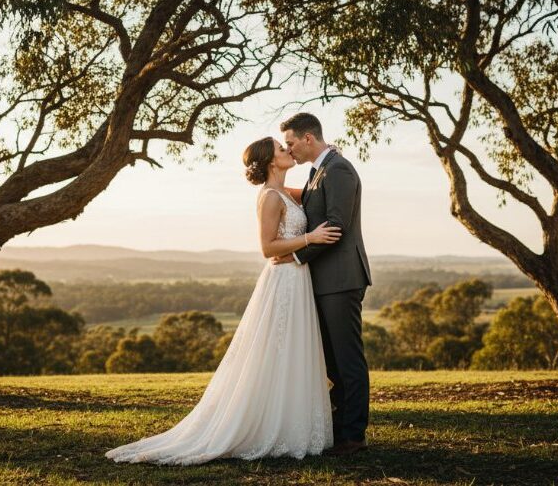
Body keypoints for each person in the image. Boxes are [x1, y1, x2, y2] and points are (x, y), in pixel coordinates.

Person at [106, 136, 342, 465]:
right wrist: (311, 238)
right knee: (274, 352)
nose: (288, 151)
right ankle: (264, 426)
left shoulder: (285, 193)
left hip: (297, 279)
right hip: (283, 282)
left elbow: (317, 193)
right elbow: (267, 248)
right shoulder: (270, 198)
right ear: (271, 161)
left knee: (291, 352)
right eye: (280, 148)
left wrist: (330, 156)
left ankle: (291, 424)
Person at [274, 112, 372, 456]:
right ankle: (339, 427)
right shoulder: (320, 172)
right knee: (332, 360)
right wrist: (272, 188)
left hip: (341, 279)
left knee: (347, 359)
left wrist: (295, 257)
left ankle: (353, 435)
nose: (290, 150)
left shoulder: (339, 169)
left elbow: (334, 227)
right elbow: (310, 201)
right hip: (325, 279)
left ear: (308, 139)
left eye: (290, 143)